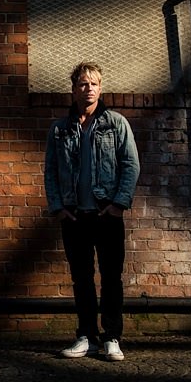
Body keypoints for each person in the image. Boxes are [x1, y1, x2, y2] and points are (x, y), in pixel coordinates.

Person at [44, 61, 140, 361]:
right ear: (74, 89)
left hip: (105, 214)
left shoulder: (116, 123)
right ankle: (86, 336)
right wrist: (59, 208)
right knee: (81, 279)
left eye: (94, 84)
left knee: (111, 277)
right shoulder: (59, 129)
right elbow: (50, 171)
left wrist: (118, 204)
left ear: (100, 88)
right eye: (83, 84)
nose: (89, 89)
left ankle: (112, 337)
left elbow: (131, 165)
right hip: (74, 216)